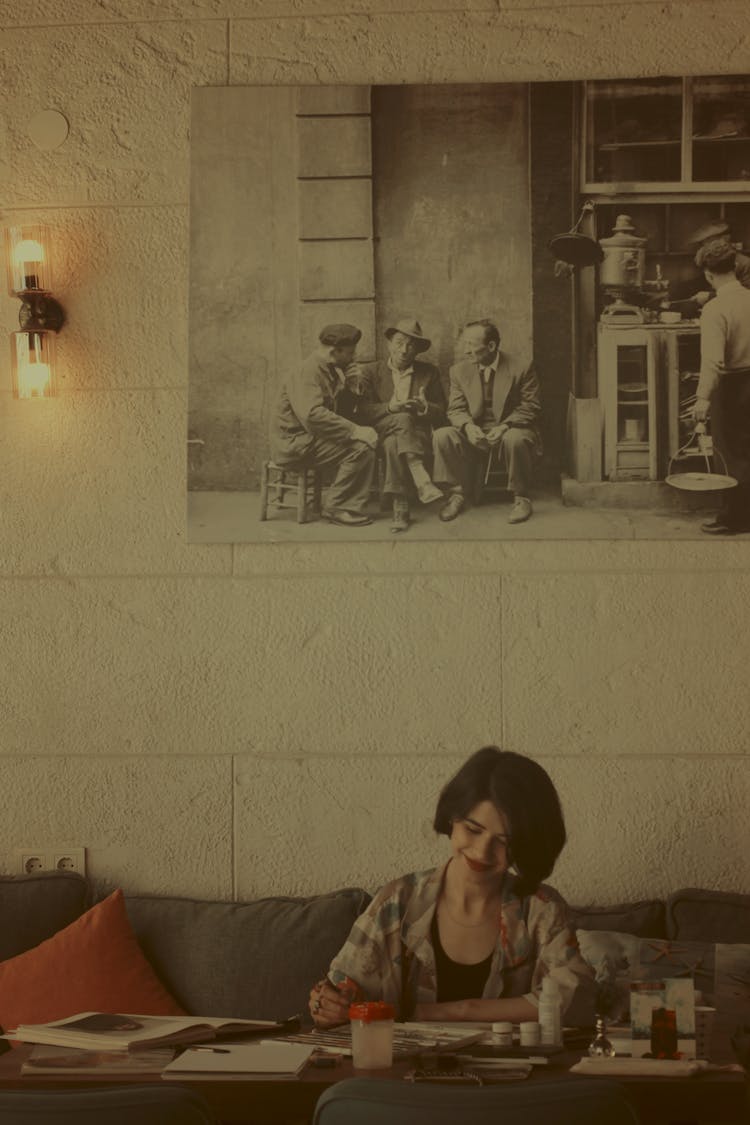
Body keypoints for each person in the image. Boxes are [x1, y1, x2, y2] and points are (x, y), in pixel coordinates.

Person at [309, 747, 595, 1028]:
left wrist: (459, 1011)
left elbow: (577, 999)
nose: (483, 852)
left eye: (504, 841)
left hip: (514, 1073)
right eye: (473, 830)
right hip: (403, 1072)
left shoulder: (541, 909)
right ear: (452, 818)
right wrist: (328, 1007)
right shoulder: (398, 903)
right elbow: (343, 993)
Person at [338, 318, 446, 534]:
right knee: (401, 418)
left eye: (411, 345)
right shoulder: (369, 372)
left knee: (393, 443)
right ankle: (420, 476)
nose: (404, 350)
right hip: (379, 430)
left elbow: (442, 411)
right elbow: (363, 413)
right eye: (399, 342)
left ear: (417, 350)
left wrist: (425, 407)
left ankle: (400, 505)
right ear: (389, 344)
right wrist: (390, 407)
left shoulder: (429, 372)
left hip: (416, 435)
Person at [432, 320, 541, 525]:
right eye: (464, 344)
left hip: (509, 431)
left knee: (516, 438)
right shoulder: (458, 371)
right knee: (442, 435)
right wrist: (468, 426)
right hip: (474, 434)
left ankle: (521, 497)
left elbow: (531, 407)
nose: (466, 351)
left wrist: (504, 426)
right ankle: (457, 494)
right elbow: (455, 409)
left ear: (491, 346)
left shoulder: (522, 367)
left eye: (471, 345)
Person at [269, 324, 377, 528]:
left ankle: (340, 502)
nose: (353, 357)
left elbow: (336, 413)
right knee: (362, 449)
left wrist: (352, 386)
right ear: (333, 351)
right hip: (294, 444)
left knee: (363, 443)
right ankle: (336, 507)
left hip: (309, 438)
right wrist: (355, 431)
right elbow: (313, 415)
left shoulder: (330, 370)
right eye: (350, 352)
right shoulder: (307, 372)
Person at [692, 240, 750, 535]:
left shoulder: (715, 309)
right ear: (735, 267)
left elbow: (712, 361)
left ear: (708, 274)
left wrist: (702, 398)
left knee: (730, 455)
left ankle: (734, 519)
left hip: (733, 386)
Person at [681, 221, 750, 311]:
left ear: (724, 240)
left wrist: (710, 296)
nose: (704, 247)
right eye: (703, 244)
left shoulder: (745, 263)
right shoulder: (710, 261)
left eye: (708, 242)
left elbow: (744, 296)